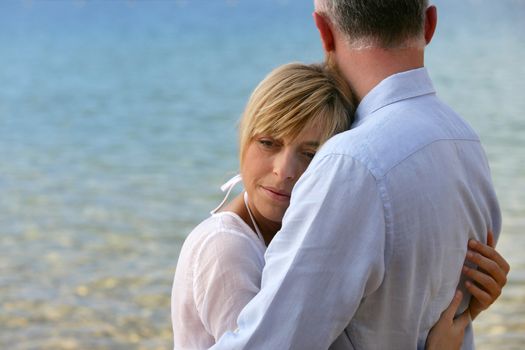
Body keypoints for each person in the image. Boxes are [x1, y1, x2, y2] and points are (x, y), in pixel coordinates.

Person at [207, 1, 510, 349]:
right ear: (429, 24)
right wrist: (470, 311)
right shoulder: (466, 142)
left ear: (323, 32)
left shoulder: (351, 163)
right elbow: (429, 311)